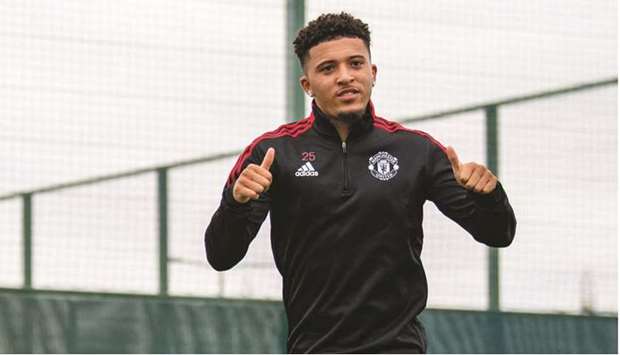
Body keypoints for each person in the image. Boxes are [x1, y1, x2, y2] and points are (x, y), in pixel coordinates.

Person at [205, 12, 516, 353]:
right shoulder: (273, 152)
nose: (345, 77)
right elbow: (221, 255)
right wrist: (236, 204)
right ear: (307, 85)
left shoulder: (416, 150)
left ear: (373, 72)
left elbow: (498, 233)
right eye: (328, 69)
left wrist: (489, 195)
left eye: (355, 64)